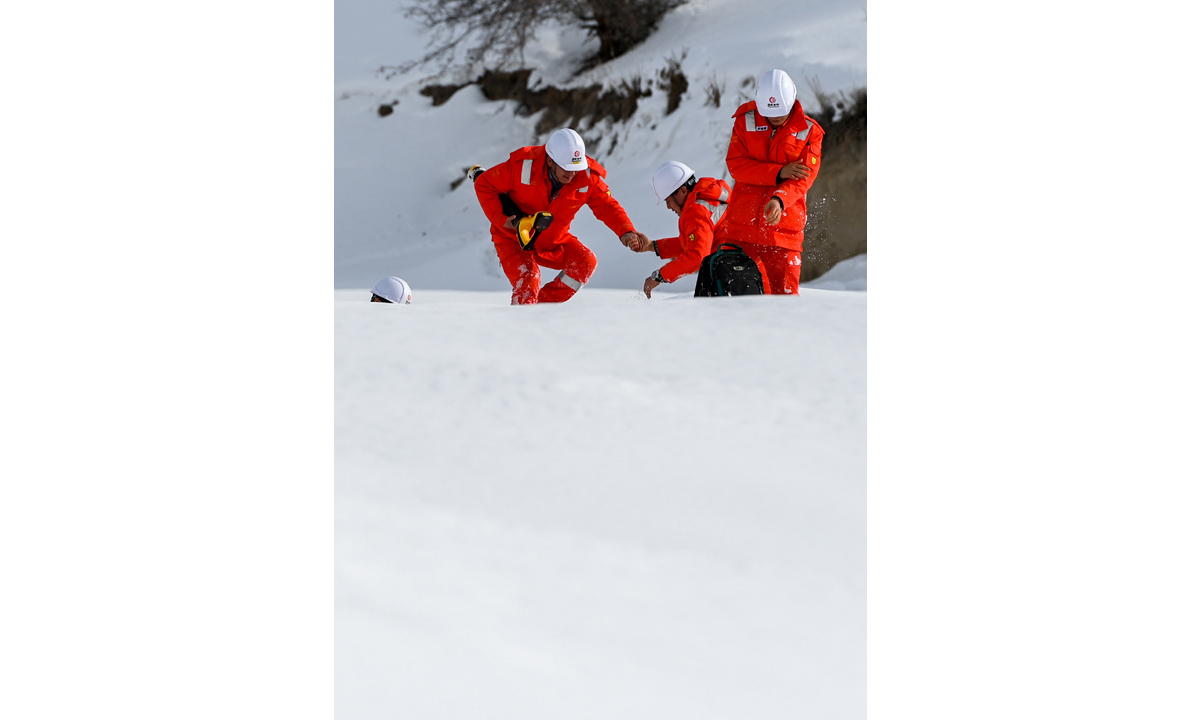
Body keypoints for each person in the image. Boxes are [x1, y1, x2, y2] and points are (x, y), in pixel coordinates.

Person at [471, 128, 650, 305]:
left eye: (575, 168)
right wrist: (502, 220)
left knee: (585, 262)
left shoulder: (587, 177)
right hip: (513, 239)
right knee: (528, 280)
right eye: (566, 168)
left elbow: (607, 206)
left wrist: (626, 231)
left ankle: (540, 308)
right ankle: (523, 317)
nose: (571, 174)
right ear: (550, 160)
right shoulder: (523, 165)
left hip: (552, 241)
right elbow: (484, 184)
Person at [717, 68, 824, 295]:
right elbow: (736, 165)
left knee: (784, 302)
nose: (774, 118)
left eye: (780, 112)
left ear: (792, 102)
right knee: (735, 302)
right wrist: (780, 172)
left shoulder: (810, 132)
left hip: (783, 235)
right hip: (741, 232)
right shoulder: (744, 121)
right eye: (768, 113)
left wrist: (779, 200)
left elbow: (803, 179)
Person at [629, 160, 737, 298]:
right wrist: (652, 246)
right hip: (743, 269)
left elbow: (697, 256)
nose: (668, 207)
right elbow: (694, 242)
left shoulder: (696, 211)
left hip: (729, 277)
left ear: (683, 191)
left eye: (668, 200)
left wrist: (659, 276)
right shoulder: (710, 198)